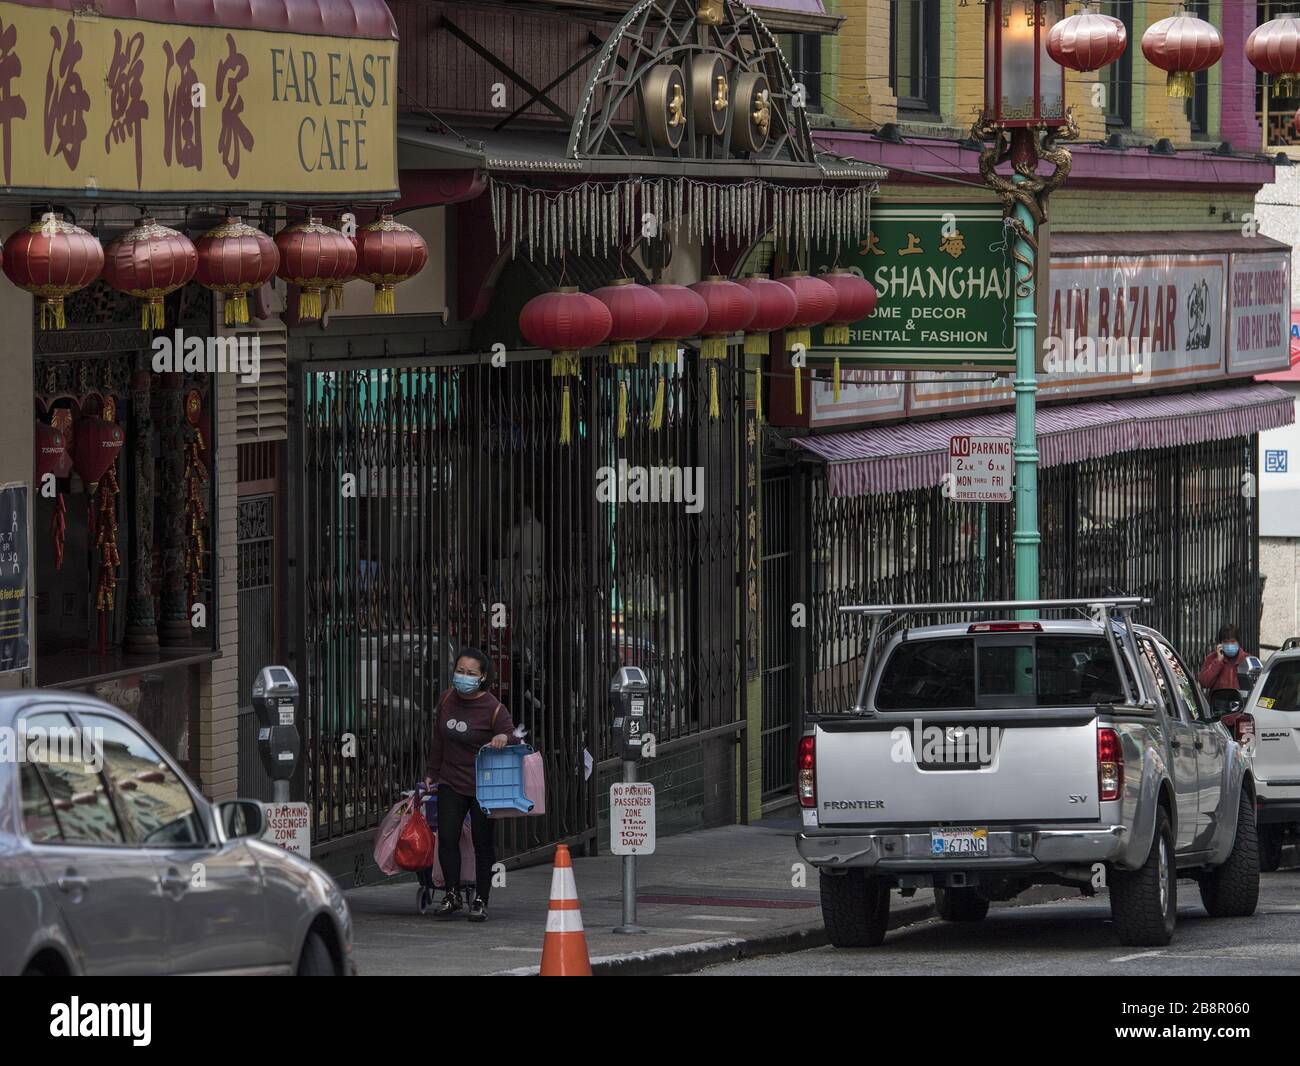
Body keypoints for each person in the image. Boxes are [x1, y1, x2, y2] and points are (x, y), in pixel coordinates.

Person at [424, 646, 519, 922]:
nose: (464, 676)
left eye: (470, 673)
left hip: (484, 786)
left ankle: (481, 898)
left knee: (482, 843)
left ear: (482, 677)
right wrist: (432, 771)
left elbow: (512, 736)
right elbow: (438, 739)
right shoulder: (445, 700)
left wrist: (504, 739)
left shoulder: (493, 708)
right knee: (448, 838)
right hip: (450, 780)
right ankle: (451, 894)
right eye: (460, 671)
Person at [1198, 624, 1253, 716]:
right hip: (1219, 714)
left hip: (1240, 715)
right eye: (1226, 642)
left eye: (1232, 641)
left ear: (1238, 642)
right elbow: (1204, 682)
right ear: (1220, 644)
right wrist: (1218, 661)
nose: (1230, 645)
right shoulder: (1212, 659)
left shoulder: (1247, 660)